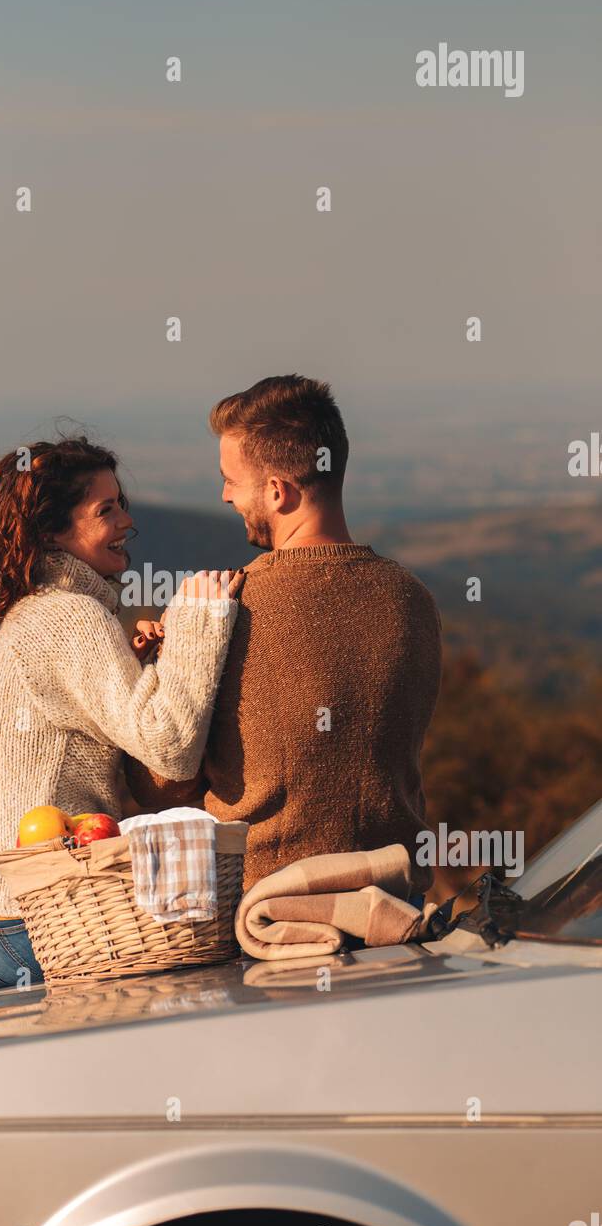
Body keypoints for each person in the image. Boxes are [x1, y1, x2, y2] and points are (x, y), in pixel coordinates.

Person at [0, 437, 243, 1000]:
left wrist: (143, 669)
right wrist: (200, 621)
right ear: (51, 532)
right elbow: (169, 745)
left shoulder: (10, 613)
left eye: (122, 503)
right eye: (105, 510)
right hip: (25, 918)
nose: (127, 521)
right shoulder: (69, 616)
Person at [126, 374, 443, 907]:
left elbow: (162, 787)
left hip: (263, 913)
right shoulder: (414, 600)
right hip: (393, 903)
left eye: (231, 479)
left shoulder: (223, 610)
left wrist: (154, 673)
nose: (224, 493)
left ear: (277, 491)